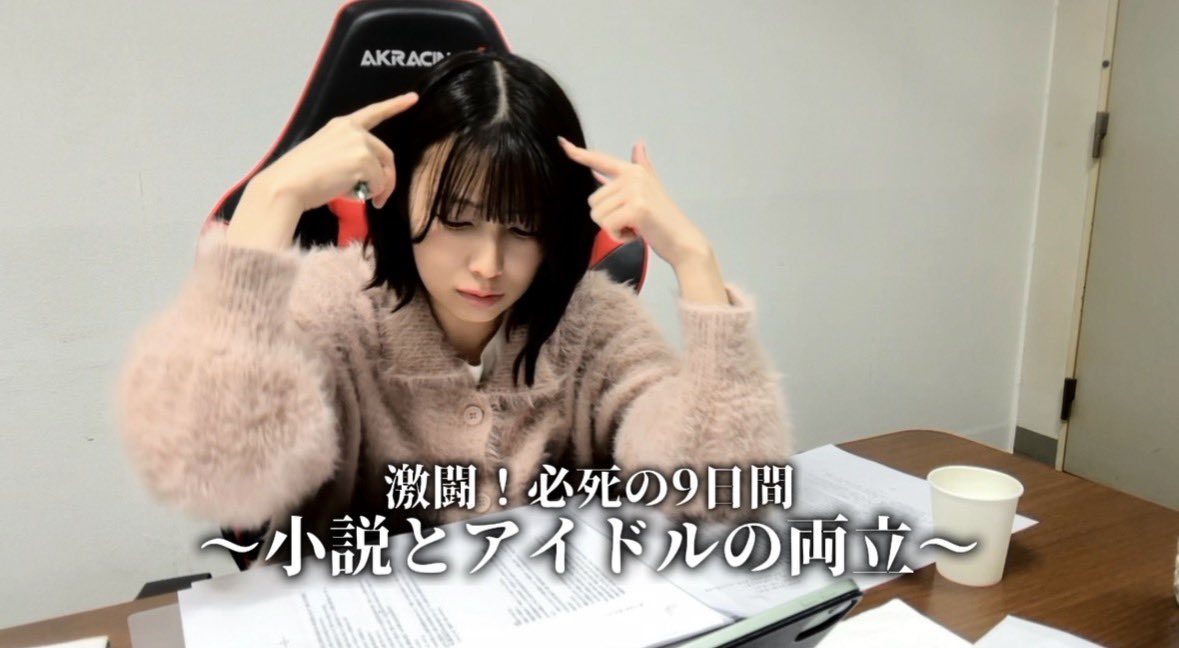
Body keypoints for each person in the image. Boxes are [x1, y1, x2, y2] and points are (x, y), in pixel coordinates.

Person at [117, 51, 791, 564]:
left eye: (522, 228)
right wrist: (269, 203)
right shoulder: (334, 310)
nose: (488, 264)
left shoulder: (590, 320)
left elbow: (722, 503)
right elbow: (216, 469)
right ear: (396, 194)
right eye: (457, 221)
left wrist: (696, 262)